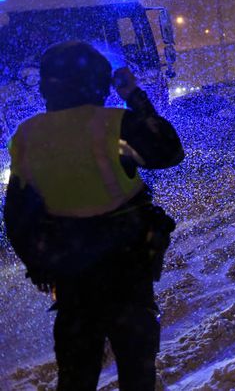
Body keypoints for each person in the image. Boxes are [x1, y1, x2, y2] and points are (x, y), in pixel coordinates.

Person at [3, 41, 184, 390]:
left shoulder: (26, 135)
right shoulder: (115, 124)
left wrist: (39, 266)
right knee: (137, 372)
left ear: (46, 85)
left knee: (76, 375)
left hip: (71, 276)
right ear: (99, 82)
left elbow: (16, 215)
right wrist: (133, 95)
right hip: (126, 270)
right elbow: (169, 152)